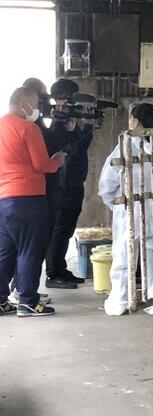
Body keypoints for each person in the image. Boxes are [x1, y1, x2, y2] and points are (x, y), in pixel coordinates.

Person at [98, 103, 153, 316]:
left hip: (129, 205)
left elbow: (108, 179)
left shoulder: (127, 143)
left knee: (124, 254)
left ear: (136, 121)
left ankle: (120, 300)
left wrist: (111, 201)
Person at [0, 87, 65, 317]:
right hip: (28, 198)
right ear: (23, 103)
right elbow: (42, 164)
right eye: (36, 104)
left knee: (6, 251)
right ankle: (28, 301)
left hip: (4, 199)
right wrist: (57, 160)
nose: (37, 109)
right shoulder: (28, 128)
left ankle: (1, 300)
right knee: (30, 250)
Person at [21, 77, 76, 289]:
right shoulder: (28, 125)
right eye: (41, 99)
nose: (44, 104)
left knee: (39, 239)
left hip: (39, 187)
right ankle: (24, 291)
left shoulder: (31, 123)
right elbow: (46, 155)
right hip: (33, 189)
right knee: (33, 243)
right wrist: (58, 123)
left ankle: (26, 291)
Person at [45, 78, 93, 286]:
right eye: (70, 98)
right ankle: (53, 273)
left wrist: (81, 127)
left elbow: (79, 146)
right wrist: (86, 127)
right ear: (60, 99)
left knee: (66, 229)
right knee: (60, 228)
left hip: (74, 182)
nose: (73, 103)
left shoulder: (69, 123)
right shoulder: (57, 125)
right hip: (63, 183)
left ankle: (60, 269)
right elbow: (74, 149)